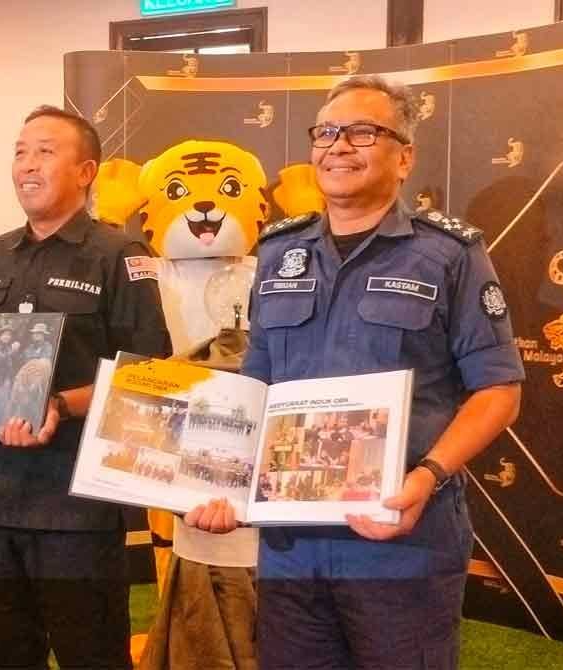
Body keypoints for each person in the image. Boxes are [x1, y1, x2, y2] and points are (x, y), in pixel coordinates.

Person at [188, 75, 524, 669]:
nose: (339, 145)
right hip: (292, 553)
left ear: (405, 157)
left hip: (402, 549)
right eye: (326, 132)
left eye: (363, 131)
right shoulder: (278, 254)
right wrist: (219, 479)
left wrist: (427, 476)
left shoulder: (449, 255)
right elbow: (254, 386)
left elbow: (498, 389)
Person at [0, 105, 172, 669]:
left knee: (91, 656)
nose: (27, 164)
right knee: (3, 656)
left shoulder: (120, 255)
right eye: (20, 151)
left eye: (46, 151)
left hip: (78, 504)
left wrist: (60, 403)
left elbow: (149, 372)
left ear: (87, 171)